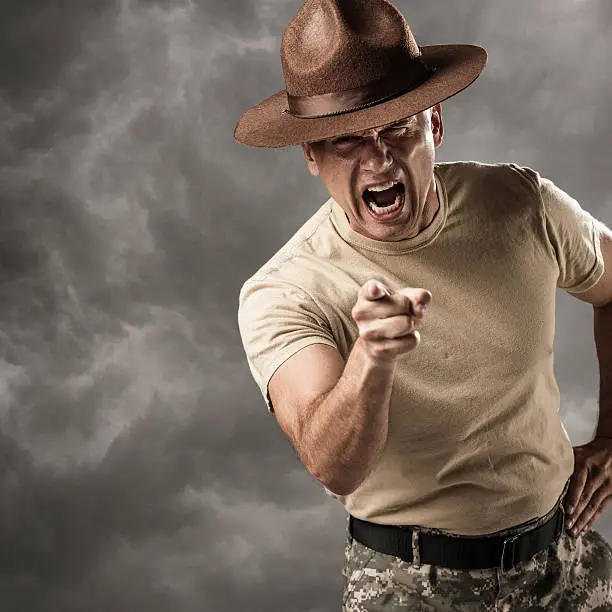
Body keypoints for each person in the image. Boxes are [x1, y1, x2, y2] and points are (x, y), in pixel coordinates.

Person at [234, 1, 612, 609]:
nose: (378, 160)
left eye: (398, 129)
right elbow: (333, 466)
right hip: (413, 587)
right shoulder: (285, 291)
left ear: (435, 123)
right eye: (346, 142)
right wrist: (371, 362)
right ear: (312, 156)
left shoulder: (522, 204)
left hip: (565, 563)